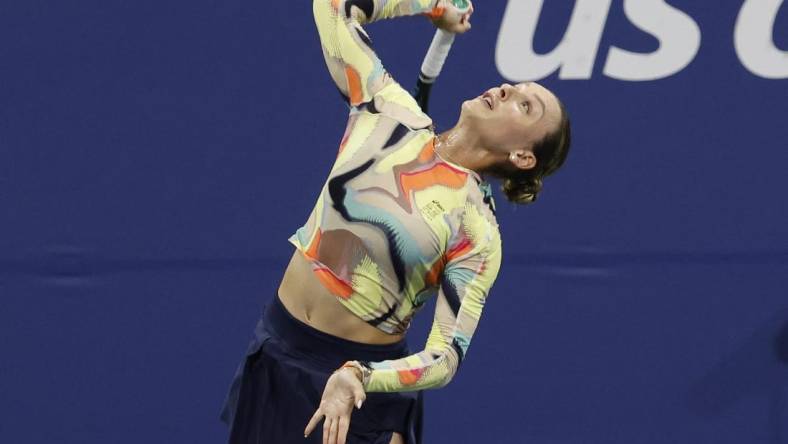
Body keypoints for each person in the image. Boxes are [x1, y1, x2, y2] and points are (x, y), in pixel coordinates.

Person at [220, 0, 571, 443]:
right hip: (275, 347)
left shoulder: (477, 232)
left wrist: (359, 376)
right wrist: (432, 6)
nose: (506, 90)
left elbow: (445, 358)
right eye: (514, 87)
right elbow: (333, 7)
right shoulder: (388, 110)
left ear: (523, 157)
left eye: (525, 106)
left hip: (355, 397)